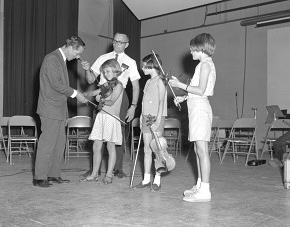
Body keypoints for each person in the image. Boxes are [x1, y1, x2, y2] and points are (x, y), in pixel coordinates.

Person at [80, 32, 140, 178]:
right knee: (99, 133)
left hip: (120, 94)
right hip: (102, 92)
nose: (116, 44)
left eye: (120, 42)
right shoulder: (103, 58)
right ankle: (95, 169)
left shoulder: (130, 61)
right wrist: (88, 70)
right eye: (114, 41)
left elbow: (136, 86)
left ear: (127, 44)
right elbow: (90, 80)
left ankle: (117, 168)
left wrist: (133, 106)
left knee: (116, 132)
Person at [33, 36, 88, 188]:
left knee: (59, 143)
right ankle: (39, 177)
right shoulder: (52, 58)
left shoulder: (60, 59)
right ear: (71, 48)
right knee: (47, 143)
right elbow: (56, 84)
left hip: (58, 109)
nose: (77, 57)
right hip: (50, 108)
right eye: (77, 54)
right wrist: (76, 94)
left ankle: (53, 174)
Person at [169, 33, 216, 202]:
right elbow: (197, 91)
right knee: (197, 149)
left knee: (202, 150)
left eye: (192, 49)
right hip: (196, 107)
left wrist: (179, 85)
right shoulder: (203, 65)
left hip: (200, 110)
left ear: (200, 48)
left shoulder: (204, 65)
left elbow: (201, 90)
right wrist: (183, 97)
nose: (190, 52)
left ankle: (205, 190)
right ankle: (200, 184)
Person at [80, 59, 124, 184]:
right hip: (101, 117)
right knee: (96, 146)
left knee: (110, 146)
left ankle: (109, 174)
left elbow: (112, 101)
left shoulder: (119, 85)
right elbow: (95, 91)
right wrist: (85, 93)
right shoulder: (106, 85)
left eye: (108, 71)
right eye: (104, 72)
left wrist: (101, 100)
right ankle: (94, 174)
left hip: (111, 117)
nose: (106, 74)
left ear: (116, 70)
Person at [132, 54, 168, 191]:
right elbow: (145, 101)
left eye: (144, 65)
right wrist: (142, 116)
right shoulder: (147, 82)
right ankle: (146, 179)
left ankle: (157, 180)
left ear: (152, 65)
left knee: (157, 149)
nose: (142, 68)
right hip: (146, 117)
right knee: (146, 149)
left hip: (156, 117)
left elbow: (160, 102)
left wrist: (158, 120)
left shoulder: (161, 81)